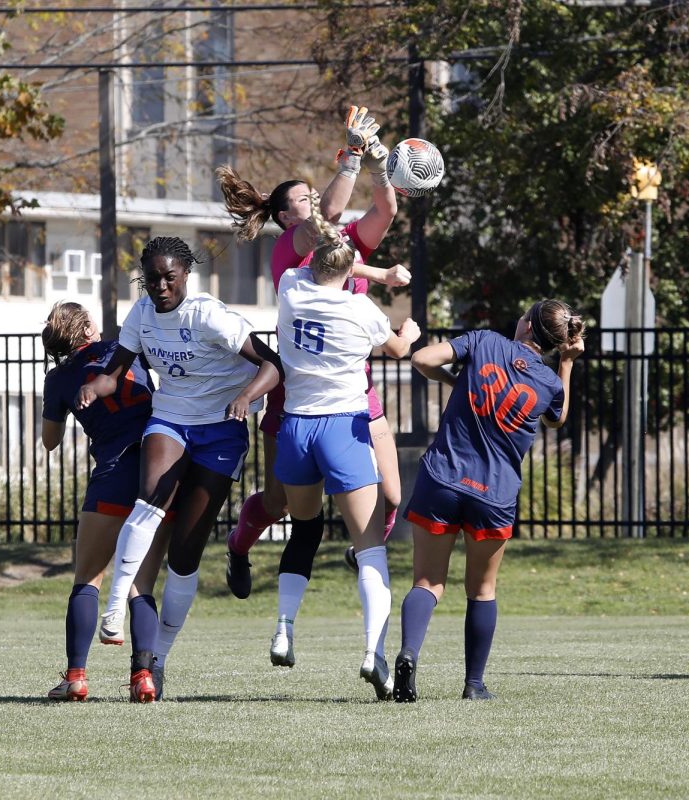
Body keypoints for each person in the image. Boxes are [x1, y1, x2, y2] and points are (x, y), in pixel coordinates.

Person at [216, 104, 409, 633]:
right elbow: (328, 217)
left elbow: (385, 208)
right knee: (280, 504)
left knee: (392, 497)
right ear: (286, 217)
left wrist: (375, 159)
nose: (314, 203)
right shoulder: (289, 251)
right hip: (296, 399)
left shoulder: (341, 248)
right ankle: (238, 544)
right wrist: (348, 155)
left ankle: (361, 553)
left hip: (354, 395)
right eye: (303, 199)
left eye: (312, 196)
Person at [233, 192, 420, 697]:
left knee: (306, 531)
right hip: (343, 428)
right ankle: (372, 652)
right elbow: (401, 348)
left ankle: (284, 628)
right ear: (351, 271)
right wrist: (409, 327)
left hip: (295, 429)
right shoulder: (360, 308)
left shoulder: (292, 286)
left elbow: (325, 254)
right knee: (370, 547)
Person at [78, 236, 281, 700]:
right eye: (153, 278)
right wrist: (98, 385)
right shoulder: (142, 314)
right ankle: (114, 611)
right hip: (170, 417)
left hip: (221, 429)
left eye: (170, 277)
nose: (162, 286)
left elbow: (272, 365)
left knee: (185, 555)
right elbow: (116, 370)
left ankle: (159, 660)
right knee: (148, 499)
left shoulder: (210, 314)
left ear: (186, 273)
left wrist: (247, 397)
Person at [393, 299, 585, 702]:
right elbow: (557, 416)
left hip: (442, 478)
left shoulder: (483, 341)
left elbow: (422, 358)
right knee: (481, 590)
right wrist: (566, 364)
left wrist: (455, 380)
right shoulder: (548, 382)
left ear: (529, 326)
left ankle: (409, 655)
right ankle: (474, 685)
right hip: (493, 495)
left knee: (428, 582)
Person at [40, 302, 167, 702]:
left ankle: (76, 676)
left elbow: (50, 441)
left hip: (113, 471)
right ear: (89, 328)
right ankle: (142, 677)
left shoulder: (59, 377)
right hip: (155, 468)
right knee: (141, 582)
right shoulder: (123, 348)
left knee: (87, 579)